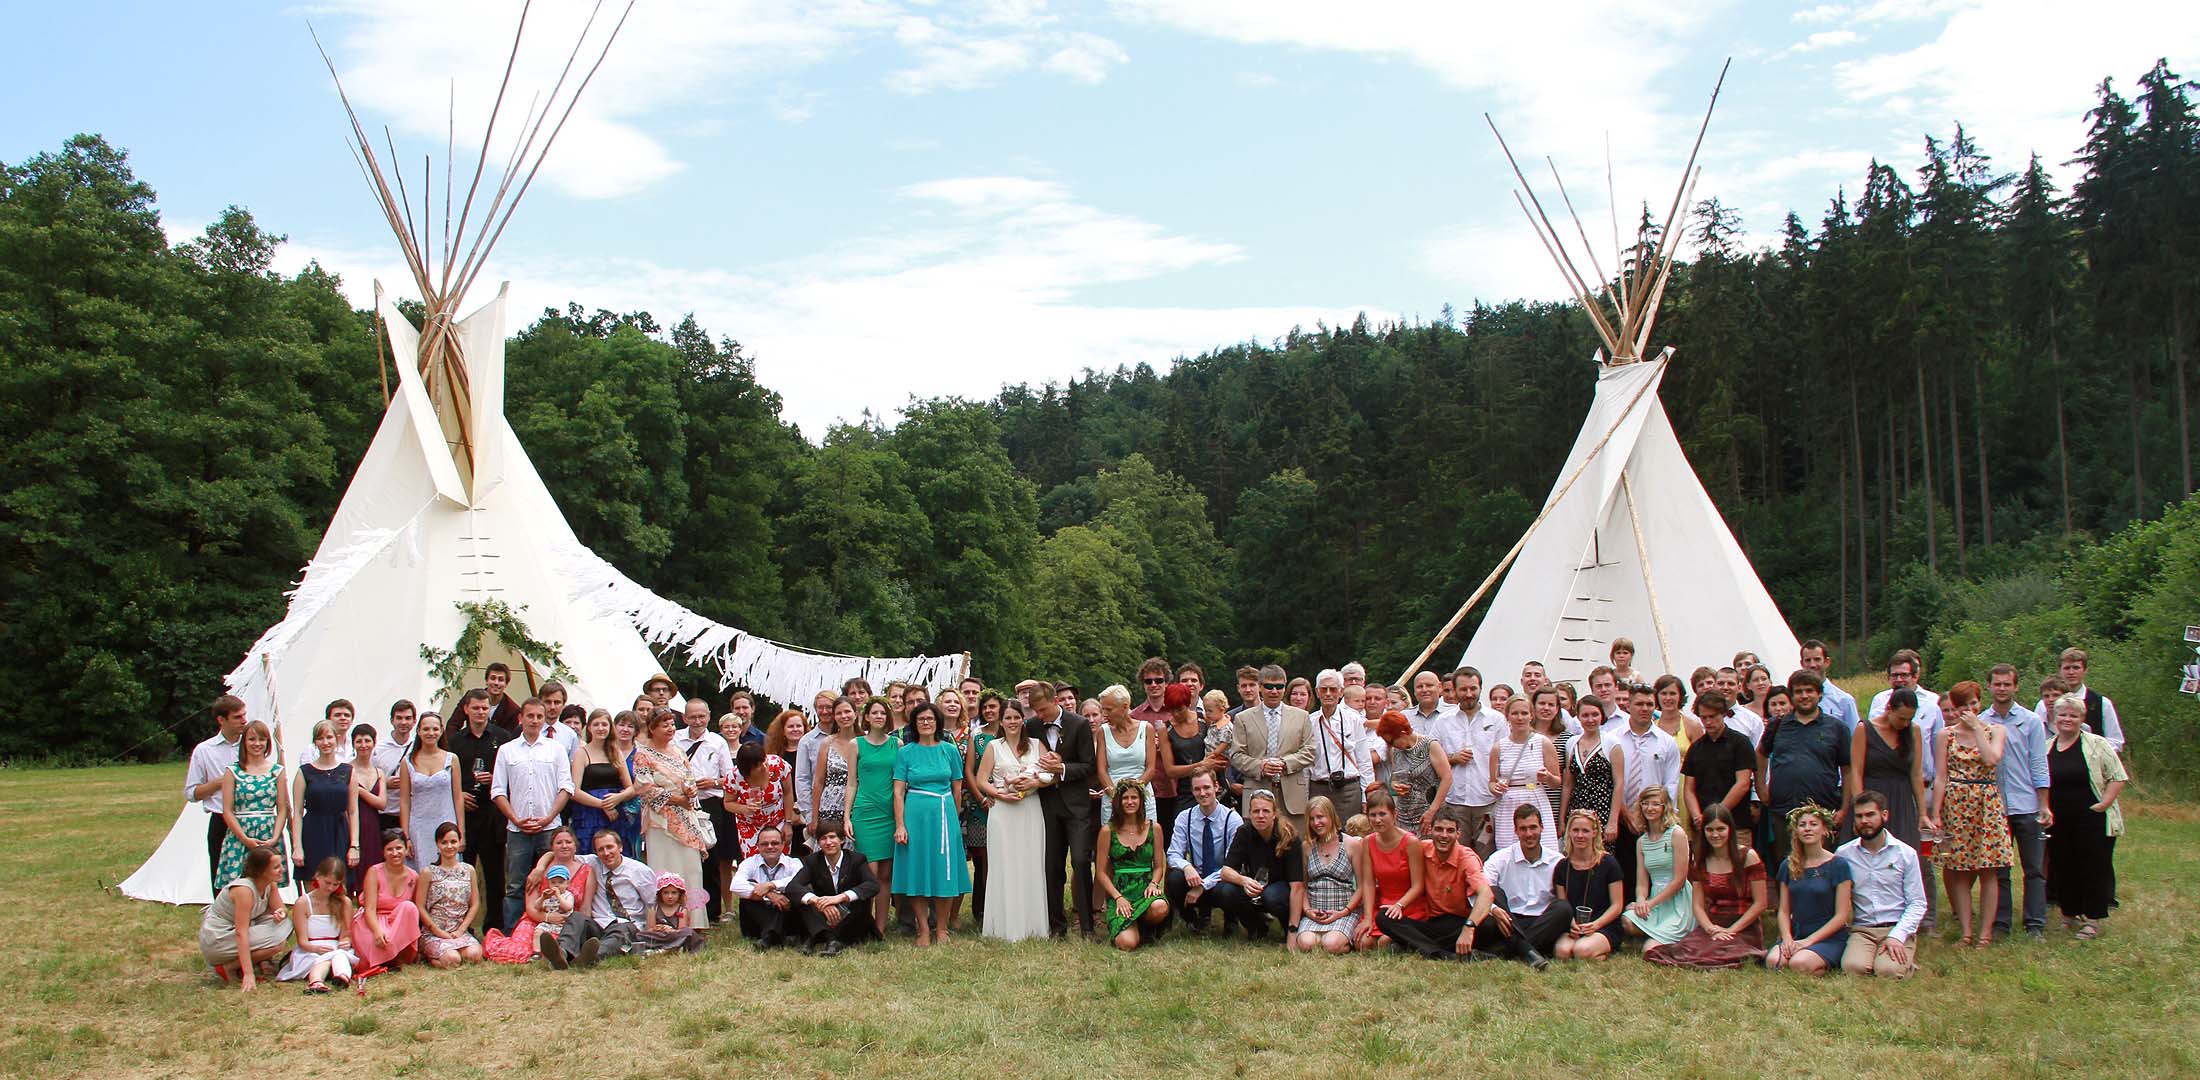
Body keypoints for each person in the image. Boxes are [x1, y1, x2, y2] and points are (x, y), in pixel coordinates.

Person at [1930, 680, 2014, 948]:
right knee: (1959, 870)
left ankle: (1985, 933)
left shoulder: (1996, 730)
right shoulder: (1946, 735)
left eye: (1974, 703)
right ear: (1954, 708)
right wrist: (1936, 812)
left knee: (1989, 870)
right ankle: (1966, 931)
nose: (1970, 709)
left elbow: (1991, 759)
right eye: (1963, 705)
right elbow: (1940, 776)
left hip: (1986, 802)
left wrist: (1978, 729)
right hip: (1956, 803)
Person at [1646, 803, 1767, 969]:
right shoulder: (1701, 860)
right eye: (1710, 830)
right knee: (1685, 951)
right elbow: (1697, 905)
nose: (1715, 834)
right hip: (1713, 924)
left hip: (1743, 926)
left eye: (1720, 829)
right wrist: (1711, 929)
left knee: (1722, 952)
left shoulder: (1748, 856)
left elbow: (1761, 904)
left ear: (1730, 829)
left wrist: (1731, 930)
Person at [2047, 693, 2127, 939]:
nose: (2067, 719)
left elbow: (2117, 776)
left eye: (2073, 715)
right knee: (2063, 866)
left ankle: (2092, 919)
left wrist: (2103, 804)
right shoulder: (2047, 746)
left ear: (2082, 718)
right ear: (2054, 718)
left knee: (2093, 867)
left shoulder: (2096, 743)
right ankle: (2068, 914)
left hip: (2092, 817)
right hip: (2059, 818)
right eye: (2062, 715)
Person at [492, 698, 575, 931]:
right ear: (521, 718)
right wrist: (515, 819)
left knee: (554, 882)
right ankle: (513, 933)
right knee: (516, 886)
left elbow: (566, 787)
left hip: (549, 829)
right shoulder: (506, 751)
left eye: (539, 716)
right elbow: (498, 791)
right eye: (530, 716)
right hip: (518, 829)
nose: (535, 721)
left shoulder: (555, 749)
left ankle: (551, 930)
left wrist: (549, 817)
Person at [1024, 680, 1099, 939]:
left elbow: (1089, 766)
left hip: (1077, 806)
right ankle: (1057, 926)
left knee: (1080, 861)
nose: (1040, 716)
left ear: (1056, 701)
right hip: (1047, 806)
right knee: (1052, 867)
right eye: (1036, 711)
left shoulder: (1078, 724)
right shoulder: (1032, 726)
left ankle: (1088, 926)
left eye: (1043, 709)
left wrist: (1062, 768)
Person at [892, 702, 971, 945]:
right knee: (917, 869)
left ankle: (943, 928)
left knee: (943, 871)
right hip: (915, 814)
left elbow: (957, 788)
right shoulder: (905, 752)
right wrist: (900, 825)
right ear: (914, 724)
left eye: (930, 718)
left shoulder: (949, 750)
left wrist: (953, 818)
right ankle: (923, 929)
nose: (926, 722)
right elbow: (897, 792)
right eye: (921, 719)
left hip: (944, 814)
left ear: (937, 722)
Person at [1984, 664, 2052, 940]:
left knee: (2034, 868)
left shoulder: (2031, 721)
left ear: (2015, 687)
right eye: (1997, 684)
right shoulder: (1980, 721)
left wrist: (2043, 803)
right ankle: (2001, 923)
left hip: (2026, 804)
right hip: (1995, 807)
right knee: (1999, 869)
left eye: (2006, 684)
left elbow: (2039, 763)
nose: (2002, 689)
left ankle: (2035, 923)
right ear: (1989, 686)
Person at [631, 707, 713, 929]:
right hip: (661, 822)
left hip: (686, 819)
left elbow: (689, 778)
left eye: (672, 724)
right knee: (665, 868)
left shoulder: (678, 751)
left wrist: (691, 792)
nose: (670, 728)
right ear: (652, 728)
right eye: (664, 724)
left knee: (691, 868)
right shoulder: (643, 755)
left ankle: (694, 921)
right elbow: (645, 788)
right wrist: (676, 800)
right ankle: (662, 922)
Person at [975, 699, 1050, 941]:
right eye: (1008, 718)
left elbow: (1050, 772)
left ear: (1023, 719)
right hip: (1003, 813)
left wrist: (1035, 782)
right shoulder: (993, 747)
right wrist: (999, 794)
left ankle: (1032, 925)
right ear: (1001, 721)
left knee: (1030, 863)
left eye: (1016, 717)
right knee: (1003, 865)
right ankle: (1003, 926)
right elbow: (981, 780)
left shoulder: (1037, 745)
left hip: (1030, 808)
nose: (1012, 722)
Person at [1373, 812, 1495, 960]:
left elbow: (1485, 892)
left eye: (1450, 831)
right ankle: (1443, 954)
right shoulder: (1421, 849)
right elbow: (1396, 846)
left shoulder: (1467, 858)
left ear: (1458, 834)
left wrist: (1469, 927)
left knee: (1489, 925)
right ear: (1430, 830)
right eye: (1439, 829)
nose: (1444, 835)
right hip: (1431, 921)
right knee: (1384, 917)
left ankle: (1413, 945)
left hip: (1459, 921)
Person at [1759, 671, 1847, 872]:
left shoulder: (1836, 727)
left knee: (1823, 869)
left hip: (1823, 810)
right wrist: (1761, 787)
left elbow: (1848, 769)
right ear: (1791, 696)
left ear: (1820, 695)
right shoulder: (1778, 725)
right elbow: (1761, 754)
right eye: (1799, 691)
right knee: (1788, 867)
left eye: (1810, 691)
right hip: (1784, 811)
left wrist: (1844, 808)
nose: (1804, 696)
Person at [1836, 791, 1926, 978]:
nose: (1864, 821)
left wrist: (1897, 935)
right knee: (1853, 968)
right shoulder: (1844, 854)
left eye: (1870, 815)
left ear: (1884, 815)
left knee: (1888, 971)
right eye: (1859, 816)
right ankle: (1871, 956)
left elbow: (1917, 903)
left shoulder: (1905, 854)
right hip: (1863, 929)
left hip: (1896, 926)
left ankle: (1904, 961)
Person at [444, 688, 512, 930]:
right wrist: (459, 794)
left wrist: (493, 778)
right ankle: (464, 928)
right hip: (465, 817)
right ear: (466, 709)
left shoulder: (502, 738)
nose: (480, 712)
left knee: (495, 878)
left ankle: (494, 927)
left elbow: (510, 776)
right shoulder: (454, 741)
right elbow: (446, 776)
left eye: (484, 708)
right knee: (463, 876)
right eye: (476, 708)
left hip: (493, 816)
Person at [546, 830, 656, 969]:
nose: (606, 853)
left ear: (620, 847)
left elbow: (652, 904)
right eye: (601, 849)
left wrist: (651, 933)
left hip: (628, 925)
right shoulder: (593, 863)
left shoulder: (640, 871)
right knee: (576, 917)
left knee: (621, 932)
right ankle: (561, 953)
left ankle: (590, 956)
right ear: (596, 853)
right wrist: (539, 868)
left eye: (610, 847)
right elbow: (559, 853)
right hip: (599, 925)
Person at [1611, 687, 1680, 904]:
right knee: (1625, 868)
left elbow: (1671, 783)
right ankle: (1625, 912)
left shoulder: (1666, 742)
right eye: (1639, 704)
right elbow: (1612, 780)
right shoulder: (1613, 739)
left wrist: (1663, 817)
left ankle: (1652, 910)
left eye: (1649, 704)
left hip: (1654, 818)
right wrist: (1625, 813)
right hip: (1622, 816)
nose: (1645, 708)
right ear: (1628, 705)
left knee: (1652, 867)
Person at [1229, 665, 1317, 835]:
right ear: (1260, 687)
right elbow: (1235, 755)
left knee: (1293, 846)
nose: (1274, 691)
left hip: (1291, 794)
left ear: (1285, 687)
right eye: (1269, 686)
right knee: (1257, 848)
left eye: (1279, 686)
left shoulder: (1301, 716)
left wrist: (1286, 763)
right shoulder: (1243, 718)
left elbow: (1310, 751)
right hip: (1257, 789)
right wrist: (1260, 766)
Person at [1429, 667, 1505, 856]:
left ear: (1481, 688)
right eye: (1463, 690)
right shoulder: (1443, 721)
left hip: (1487, 801)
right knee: (1456, 855)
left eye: (1473, 689)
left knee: (1486, 854)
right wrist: (1452, 758)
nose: (1469, 694)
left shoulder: (1497, 720)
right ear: (1454, 690)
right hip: (1456, 801)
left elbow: (1506, 757)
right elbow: (1430, 758)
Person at [1767, 804, 1850, 976]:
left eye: (1813, 824)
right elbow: (1783, 910)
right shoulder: (1788, 865)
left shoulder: (1839, 865)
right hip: (1797, 933)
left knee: (1800, 963)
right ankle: (1802, 955)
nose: (1807, 829)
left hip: (1827, 936)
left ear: (1824, 829)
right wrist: (1787, 938)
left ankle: (1822, 961)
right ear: (1796, 830)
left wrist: (1810, 941)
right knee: (1774, 962)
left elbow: (1842, 915)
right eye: (1802, 825)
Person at [673, 697, 736, 924]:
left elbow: (730, 778)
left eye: (702, 716)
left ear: (709, 716)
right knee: (685, 857)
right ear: (684, 718)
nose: (697, 721)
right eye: (693, 717)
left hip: (710, 804)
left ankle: (711, 912)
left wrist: (714, 783)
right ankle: (683, 909)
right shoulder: (676, 739)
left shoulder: (717, 742)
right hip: (682, 803)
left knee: (711, 858)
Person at [483, 828, 587, 964]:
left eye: (568, 842)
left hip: (566, 923)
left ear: (575, 845)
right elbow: (531, 908)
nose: (564, 846)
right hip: (537, 920)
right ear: (552, 847)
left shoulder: (586, 870)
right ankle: (538, 954)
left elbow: (586, 909)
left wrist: (579, 928)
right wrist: (548, 917)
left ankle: (559, 954)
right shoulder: (539, 871)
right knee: (520, 948)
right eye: (559, 842)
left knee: (556, 945)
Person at [215, 720, 293, 894]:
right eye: (252, 739)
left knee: (268, 883)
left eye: (261, 739)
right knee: (240, 883)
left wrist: (274, 838)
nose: (257, 744)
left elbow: (282, 808)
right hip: (241, 832)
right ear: (244, 743)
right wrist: (244, 838)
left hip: (268, 831)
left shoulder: (276, 771)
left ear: (267, 743)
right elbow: (227, 810)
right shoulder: (233, 771)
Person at [1480, 804, 1562, 967]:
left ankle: (1506, 950)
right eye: (1523, 829)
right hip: (1509, 921)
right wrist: (1494, 910)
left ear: (1542, 828)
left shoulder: (1557, 861)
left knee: (1563, 908)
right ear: (1516, 831)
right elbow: (1480, 889)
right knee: (1492, 892)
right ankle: (1529, 951)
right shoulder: (1500, 858)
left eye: (1533, 827)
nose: (1529, 834)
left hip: (1542, 922)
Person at [199, 847, 293, 989]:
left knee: (285, 925)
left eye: (281, 865)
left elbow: (282, 909)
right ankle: (229, 968)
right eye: (276, 867)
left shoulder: (269, 885)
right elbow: (240, 933)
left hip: (238, 931)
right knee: (277, 941)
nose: (282, 870)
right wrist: (249, 975)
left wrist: (281, 913)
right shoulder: (244, 891)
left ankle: (258, 962)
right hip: (218, 938)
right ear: (261, 871)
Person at [1095, 779, 1172, 950]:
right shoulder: (1108, 831)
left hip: (1145, 889)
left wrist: (1153, 883)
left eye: (1134, 798)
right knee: (1127, 944)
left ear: (1141, 801)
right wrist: (1118, 897)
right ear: (1118, 802)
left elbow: (1159, 866)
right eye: (1125, 798)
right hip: (1121, 891)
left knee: (1160, 907)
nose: (1130, 802)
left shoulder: (1155, 828)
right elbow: (1100, 873)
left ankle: (1145, 925)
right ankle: (1131, 927)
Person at [845, 698, 900, 934]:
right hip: (865, 812)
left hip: (889, 812)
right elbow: (851, 783)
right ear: (866, 717)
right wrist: (846, 816)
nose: (879, 716)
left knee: (886, 873)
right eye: (874, 713)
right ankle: (862, 922)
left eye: (883, 713)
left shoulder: (897, 744)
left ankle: (880, 925)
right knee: (871, 872)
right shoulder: (856, 744)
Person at [1164, 771, 1242, 934]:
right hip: (1196, 877)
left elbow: (1232, 864)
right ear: (1192, 791)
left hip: (1222, 879)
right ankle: (1192, 919)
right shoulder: (1185, 818)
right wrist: (1186, 867)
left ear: (1217, 787)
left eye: (1207, 787)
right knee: (1175, 879)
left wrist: (1203, 887)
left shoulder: (1232, 819)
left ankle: (1231, 918)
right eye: (1197, 789)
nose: (1202, 793)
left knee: (1229, 890)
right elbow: (1173, 854)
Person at [791, 820, 882, 955]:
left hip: (851, 916)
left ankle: (816, 938)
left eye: (832, 837)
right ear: (818, 843)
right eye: (823, 838)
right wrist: (818, 901)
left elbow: (873, 885)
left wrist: (839, 898)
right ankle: (832, 941)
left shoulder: (857, 859)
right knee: (803, 900)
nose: (828, 842)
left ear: (842, 840)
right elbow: (793, 887)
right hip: (824, 914)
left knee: (859, 900)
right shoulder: (812, 861)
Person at [187, 695, 249, 892]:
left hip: (250, 817)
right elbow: (191, 793)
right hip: (221, 819)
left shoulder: (253, 745)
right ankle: (222, 918)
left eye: (244, 715)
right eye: (237, 717)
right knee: (220, 876)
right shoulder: (204, 751)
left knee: (253, 873)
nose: (244, 721)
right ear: (221, 720)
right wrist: (218, 783)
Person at [1621, 787, 1695, 948]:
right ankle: (1658, 932)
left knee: (1650, 949)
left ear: (1664, 807)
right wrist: (1641, 901)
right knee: (1627, 919)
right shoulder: (1642, 842)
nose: (1650, 808)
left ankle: (1666, 935)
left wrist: (1651, 903)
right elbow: (1642, 883)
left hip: (1677, 901)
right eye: (1645, 803)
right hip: (1653, 899)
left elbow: (1680, 880)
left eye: (1655, 804)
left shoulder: (1677, 834)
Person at [1549, 809, 1626, 961]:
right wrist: (1571, 923)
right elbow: (1563, 904)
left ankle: (1598, 951)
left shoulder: (1609, 863)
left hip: (1603, 924)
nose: (1580, 835)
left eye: (1585, 831)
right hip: (1575, 926)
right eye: (1575, 830)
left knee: (1581, 950)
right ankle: (1592, 953)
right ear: (1569, 832)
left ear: (1594, 833)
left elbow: (1617, 905)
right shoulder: (1562, 867)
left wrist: (1596, 925)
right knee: (1562, 952)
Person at [1288, 796, 1361, 954]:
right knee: (1306, 944)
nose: (1316, 823)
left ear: (1331, 816)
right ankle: (1320, 937)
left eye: (1320, 817)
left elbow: (1362, 887)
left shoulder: (1351, 845)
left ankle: (1340, 939)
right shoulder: (1307, 847)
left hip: (1343, 911)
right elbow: (1303, 885)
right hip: (1316, 912)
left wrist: (1345, 911)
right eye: (1312, 819)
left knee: (1331, 944)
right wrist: (1307, 910)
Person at [1355, 789, 1425, 950]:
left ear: (1394, 815)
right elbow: (1368, 883)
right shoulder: (1368, 842)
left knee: (1384, 942)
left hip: (1408, 905)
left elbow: (1418, 885)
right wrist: (1366, 917)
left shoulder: (1411, 842)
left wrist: (1399, 905)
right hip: (1382, 904)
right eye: (1372, 815)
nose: (1377, 820)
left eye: (1382, 814)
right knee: (1363, 943)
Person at [1681, 690, 1755, 837]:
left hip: (1736, 823)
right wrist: (1697, 816)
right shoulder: (1696, 748)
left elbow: (1743, 783)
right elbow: (1689, 789)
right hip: (1704, 826)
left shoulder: (1740, 743)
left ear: (1723, 714)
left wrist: (1717, 814)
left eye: (1712, 717)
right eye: (1704, 717)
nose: (1708, 722)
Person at [1490, 696, 1559, 853]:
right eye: (1515, 713)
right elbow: (1492, 782)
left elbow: (1556, 782)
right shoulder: (1498, 747)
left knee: (1544, 851)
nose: (1520, 718)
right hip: (1508, 804)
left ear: (1531, 715)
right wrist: (1497, 787)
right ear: (1507, 716)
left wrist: (1547, 777)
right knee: (1509, 853)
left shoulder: (1544, 743)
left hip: (1535, 798)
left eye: (1524, 713)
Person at [726, 742, 795, 900]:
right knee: (754, 864)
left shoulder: (777, 765)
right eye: (758, 765)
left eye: (764, 760)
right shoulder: (734, 776)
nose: (764, 766)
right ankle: (762, 899)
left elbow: (788, 793)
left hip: (777, 821)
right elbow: (728, 803)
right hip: (750, 825)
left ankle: (783, 901)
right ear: (747, 768)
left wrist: (788, 822)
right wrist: (744, 808)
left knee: (779, 860)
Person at [278, 858, 357, 991]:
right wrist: (316, 949)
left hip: (335, 948)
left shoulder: (344, 902)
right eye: (327, 883)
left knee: (339, 955)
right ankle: (316, 982)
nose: (331, 888)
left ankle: (342, 977)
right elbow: (302, 941)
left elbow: (345, 933)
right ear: (318, 876)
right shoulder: (303, 903)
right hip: (309, 950)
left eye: (335, 884)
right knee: (324, 960)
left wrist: (345, 941)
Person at [1159, 682, 1228, 831]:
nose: (1176, 714)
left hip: (1214, 785)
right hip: (1187, 791)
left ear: (1188, 703)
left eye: (1180, 709)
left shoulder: (1205, 719)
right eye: (1171, 710)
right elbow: (1170, 771)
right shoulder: (1165, 729)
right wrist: (1201, 765)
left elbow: (1224, 739)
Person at [415, 821, 485, 968]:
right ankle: (431, 957)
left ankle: (456, 950)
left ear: (459, 842)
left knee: (476, 955)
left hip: (459, 932)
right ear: (437, 844)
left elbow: (475, 904)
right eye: (444, 842)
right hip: (435, 933)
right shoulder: (428, 872)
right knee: (452, 960)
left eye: (453, 842)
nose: (449, 846)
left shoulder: (469, 870)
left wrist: (461, 929)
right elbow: (420, 906)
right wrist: (437, 930)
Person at [1559, 695, 1625, 851]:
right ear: (1579, 717)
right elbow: (1568, 783)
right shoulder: (1572, 743)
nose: (1590, 719)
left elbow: (1619, 783)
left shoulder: (1611, 743)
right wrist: (1562, 819)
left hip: (1602, 811)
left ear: (1601, 715)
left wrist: (1613, 821)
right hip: (1576, 810)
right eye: (1585, 715)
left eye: (1594, 714)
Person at [399, 713, 463, 870]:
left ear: (441, 731)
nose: (431, 733)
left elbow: (458, 797)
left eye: (435, 729)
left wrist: (461, 833)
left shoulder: (452, 759)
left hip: (446, 823)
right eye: (426, 729)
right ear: (419, 731)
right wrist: (405, 836)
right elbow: (404, 801)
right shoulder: (407, 762)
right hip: (418, 827)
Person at [291, 720, 351, 886]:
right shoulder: (305, 772)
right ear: (315, 742)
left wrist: (355, 845)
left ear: (336, 738)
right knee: (313, 883)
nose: (325, 742)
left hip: (339, 833)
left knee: (340, 887)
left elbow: (353, 812)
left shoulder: (347, 771)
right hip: (313, 832)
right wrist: (297, 847)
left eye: (329, 737)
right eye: (320, 738)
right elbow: (297, 812)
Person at [351, 830, 421, 970]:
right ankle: (386, 958)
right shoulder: (374, 872)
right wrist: (377, 931)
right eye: (389, 849)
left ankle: (397, 956)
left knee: (409, 907)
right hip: (372, 921)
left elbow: (413, 915)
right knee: (376, 946)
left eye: (399, 848)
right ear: (383, 852)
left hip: (397, 923)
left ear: (406, 849)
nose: (395, 853)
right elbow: (369, 909)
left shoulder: (414, 876)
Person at [1308, 669, 1371, 823]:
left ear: (1341, 692)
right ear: (1317, 692)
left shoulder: (1353, 720)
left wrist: (1366, 797)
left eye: (1333, 689)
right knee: (1320, 837)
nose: (1328, 693)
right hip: (1319, 788)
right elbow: (1306, 764)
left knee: (1350, 836)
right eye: (1324, 689)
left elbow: (1364, 761)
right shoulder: (1309, 722)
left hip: (1349, 790)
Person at [568, 710, 635, 854]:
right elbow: (574, 791)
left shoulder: (616, 753)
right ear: (590, 728)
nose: (600, 728)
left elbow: (630, 788)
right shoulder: (581, 753)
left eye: (604, 724)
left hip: (615, 815)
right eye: (596, 724)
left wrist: (618, 798)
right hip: (589, 814)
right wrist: (603, 805)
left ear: (610, 727)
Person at [1379, 710, 1450, 835]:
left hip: (1428, 814)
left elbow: (1447, 778)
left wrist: (1432, 811)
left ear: (1403, 733)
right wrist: (1395, 785)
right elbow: (1395, 777)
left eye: (1391, 741)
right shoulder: (1395, 750)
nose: (1389, 745)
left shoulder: (1430, 745)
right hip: (1404, 815)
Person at [1095, 685, 1159, 822]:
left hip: (1142, 796)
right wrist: (1116, 797)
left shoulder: (1146, 729)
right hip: (1112, 796)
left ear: (1124, 707)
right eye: (1103, 709)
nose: (1104, 714)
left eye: (1109, 709)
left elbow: (1151, 768)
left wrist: (1134, 794)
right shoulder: (1103, 732)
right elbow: (1101, 770)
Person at [811, 696, 858, 838]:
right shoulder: (827, 743)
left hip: (857, 805)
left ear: (855, 713)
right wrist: (814, 818)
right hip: (829, 805)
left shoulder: (865, 740)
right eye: (839, 713)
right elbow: (818, 782)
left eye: (847, 711)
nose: (844, 716)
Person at [1799, 639, 1860, 732]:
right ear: (1802, 663)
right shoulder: (1796, 700)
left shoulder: (1844, 700)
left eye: (1817, 659)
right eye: (1808, 660)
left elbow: (1855, 736)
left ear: (1827, 662)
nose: (1812, 665)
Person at [641, 873, 705, 954]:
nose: (670, 896)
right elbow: (649, 929)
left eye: (674, 893)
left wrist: (671, 931)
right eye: (666, 893)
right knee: (641, 935)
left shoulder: (682, 910)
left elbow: (682, 930)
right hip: (659, 937)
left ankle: (671, 948)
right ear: (660, 894)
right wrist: (656, 929)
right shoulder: (654, 909)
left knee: (688, 932)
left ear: (679, 894)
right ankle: (664, 948)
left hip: (675, 936)